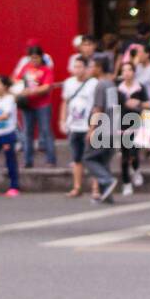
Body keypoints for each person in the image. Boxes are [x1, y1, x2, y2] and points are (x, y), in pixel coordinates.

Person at [84, 54, 120, 204]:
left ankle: (107, 180)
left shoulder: (100, 85)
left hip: (102, 128)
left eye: (92, 66)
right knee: (103, 161)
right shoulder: (111, 84)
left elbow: (98, 109)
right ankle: (107, 195)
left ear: (99, 68)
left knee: (88, 158)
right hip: (113, 127)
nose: (90, 69)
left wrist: (92, 129)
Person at [12, 45, 56, 168]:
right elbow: (16, 80)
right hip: (28, 105)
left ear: (41, 57)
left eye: (36, 58)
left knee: (46, 131)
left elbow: (47, 87)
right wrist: (20, 89)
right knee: (28, 133)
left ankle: (50, 159)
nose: (34, 60)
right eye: (32, 58)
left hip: (43, 105)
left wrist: (31, 91)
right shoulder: (25, 68)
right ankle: (28, 161)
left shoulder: (46, 70)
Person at [60, 57, 97, 198]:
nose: (77, 70)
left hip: (88, 126)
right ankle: (77, 187)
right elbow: (65, 102)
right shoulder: (69, 83)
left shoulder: (93, 84)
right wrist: (62, 119)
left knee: (92, 158)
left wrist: (93, 127)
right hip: (74, 125)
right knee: (76, 158)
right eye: (75, 67)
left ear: (86, 68)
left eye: (80, 66)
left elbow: (96, 107)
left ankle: (95, 188)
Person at [116, 60, 149, 196]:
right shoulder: (118, 88)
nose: (126, 73)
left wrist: (139, 102)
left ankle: (136, 170)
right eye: (124, 70)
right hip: (122, 124)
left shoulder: (140, 87)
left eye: (129, 70)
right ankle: (126, 183)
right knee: (124, 155)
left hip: (136, 123)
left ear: (134, 72)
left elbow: (148, 104)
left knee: (134, 153)